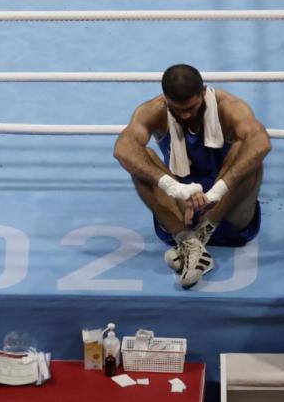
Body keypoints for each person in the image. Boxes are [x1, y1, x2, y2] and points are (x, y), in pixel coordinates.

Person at [113, 63, 270, 288]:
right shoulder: (153, 111)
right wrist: (176, 189)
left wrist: (216, 192)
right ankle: (188, 242)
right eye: (177, 109)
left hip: (227, 212)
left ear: (204, 91)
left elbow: (261, 143)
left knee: (246, 151)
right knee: (140, 157)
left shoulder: (230, 107)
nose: (186, 115)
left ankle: (202, 235)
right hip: (179, 215)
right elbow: (123, 149)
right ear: (166, 100)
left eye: (192, 107)